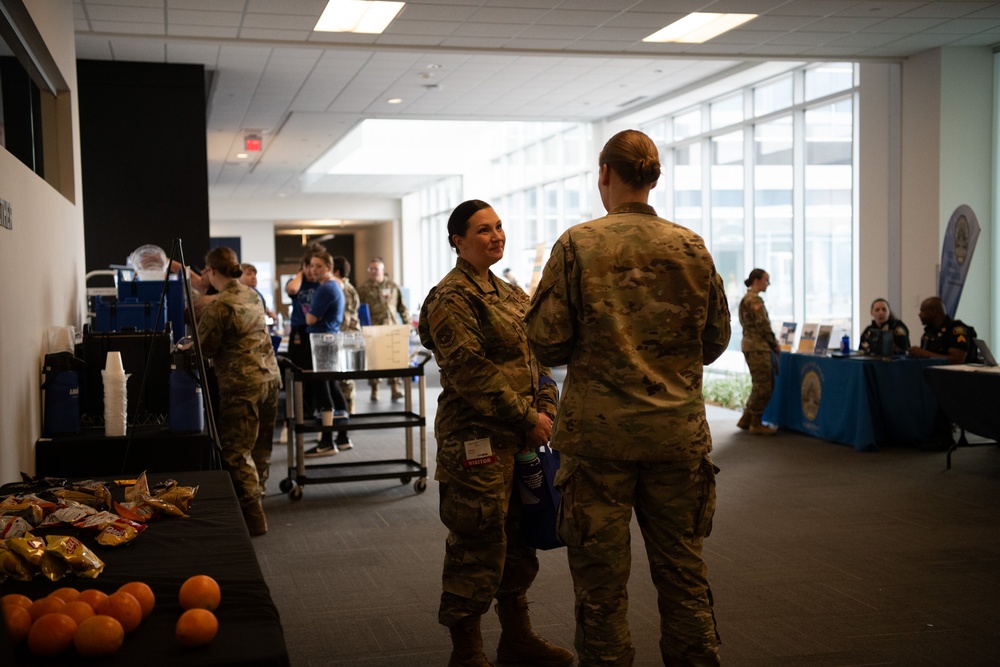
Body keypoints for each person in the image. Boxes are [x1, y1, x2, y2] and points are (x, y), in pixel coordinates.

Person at [525, 130, 730, 667]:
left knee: (601, 591)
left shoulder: (578, 245)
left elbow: (546, 340)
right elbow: (714, 341)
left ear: (604, 175)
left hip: (599, 445)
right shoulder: (692, 247)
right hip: (676, 440)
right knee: (685, 578)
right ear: (655, 177)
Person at [418, 200, 574, 667]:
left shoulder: (510, 294)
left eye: (500, 227)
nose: (496, 235)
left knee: (519, 539)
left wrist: (545, 407)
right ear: (458, 242)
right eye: (483, 230)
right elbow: (470, 371)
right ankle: (467, 652)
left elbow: (539, 357)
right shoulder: (450, 298)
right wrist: (528, 418)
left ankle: (517, 637)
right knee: (476, 544)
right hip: (476, 445)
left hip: (522, 441)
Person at [196, 246, 280, 537]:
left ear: (213, 272)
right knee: (262, 448)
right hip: (270, 378)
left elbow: (203, 347)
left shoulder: (220, 305)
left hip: (242, 386)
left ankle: (254, 519)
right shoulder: (252, 295)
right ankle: (259, 500)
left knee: (236, 452)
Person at [304, 250, 353, 456]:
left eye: (318, 266)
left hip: (322, 342)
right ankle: (342, 437)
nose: (314, 270)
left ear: (329, 268)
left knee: (324, 391)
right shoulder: (333, 286)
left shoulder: (326, 288)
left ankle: (326, 441)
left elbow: (310, 319)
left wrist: (309, 314)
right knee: (333, 388)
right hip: (328, 341)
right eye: (311, 265)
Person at [358, 257, 410, 402]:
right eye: (371, 269)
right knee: (374, 361)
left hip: (391, 327)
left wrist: (408, 324)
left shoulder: (393, 286)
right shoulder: (363, 289)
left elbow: (402, 307)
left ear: (383, 269)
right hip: (373, 329)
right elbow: (359, 309)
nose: (374, 272)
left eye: (377, 269)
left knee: (394, 359)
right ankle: (375, 389)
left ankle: (395, 388)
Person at [738, 268, 780, 436]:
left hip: (750, 345)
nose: (768, 283)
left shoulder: (745, 299)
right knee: (764, 385)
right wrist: (774, 343)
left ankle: (747, 418)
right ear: (757, 280)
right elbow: (763, 325)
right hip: (758, 347)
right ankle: (756, 422)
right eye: (766, 280)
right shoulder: (754, 300)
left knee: (758, 384)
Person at [908, 296, 978, 364]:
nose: (919, 314)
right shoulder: (929, 332)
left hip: (958, 375)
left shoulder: (956, 330)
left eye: (922, 311)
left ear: (933, 312)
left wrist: (923, 353)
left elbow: (957, 360)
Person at [333, 255, 360, 415]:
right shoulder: (342, 287)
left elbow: (346, 317)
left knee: (346, 374)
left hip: (348, 334)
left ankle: (349, 406)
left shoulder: (346, 290)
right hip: (345, 333)